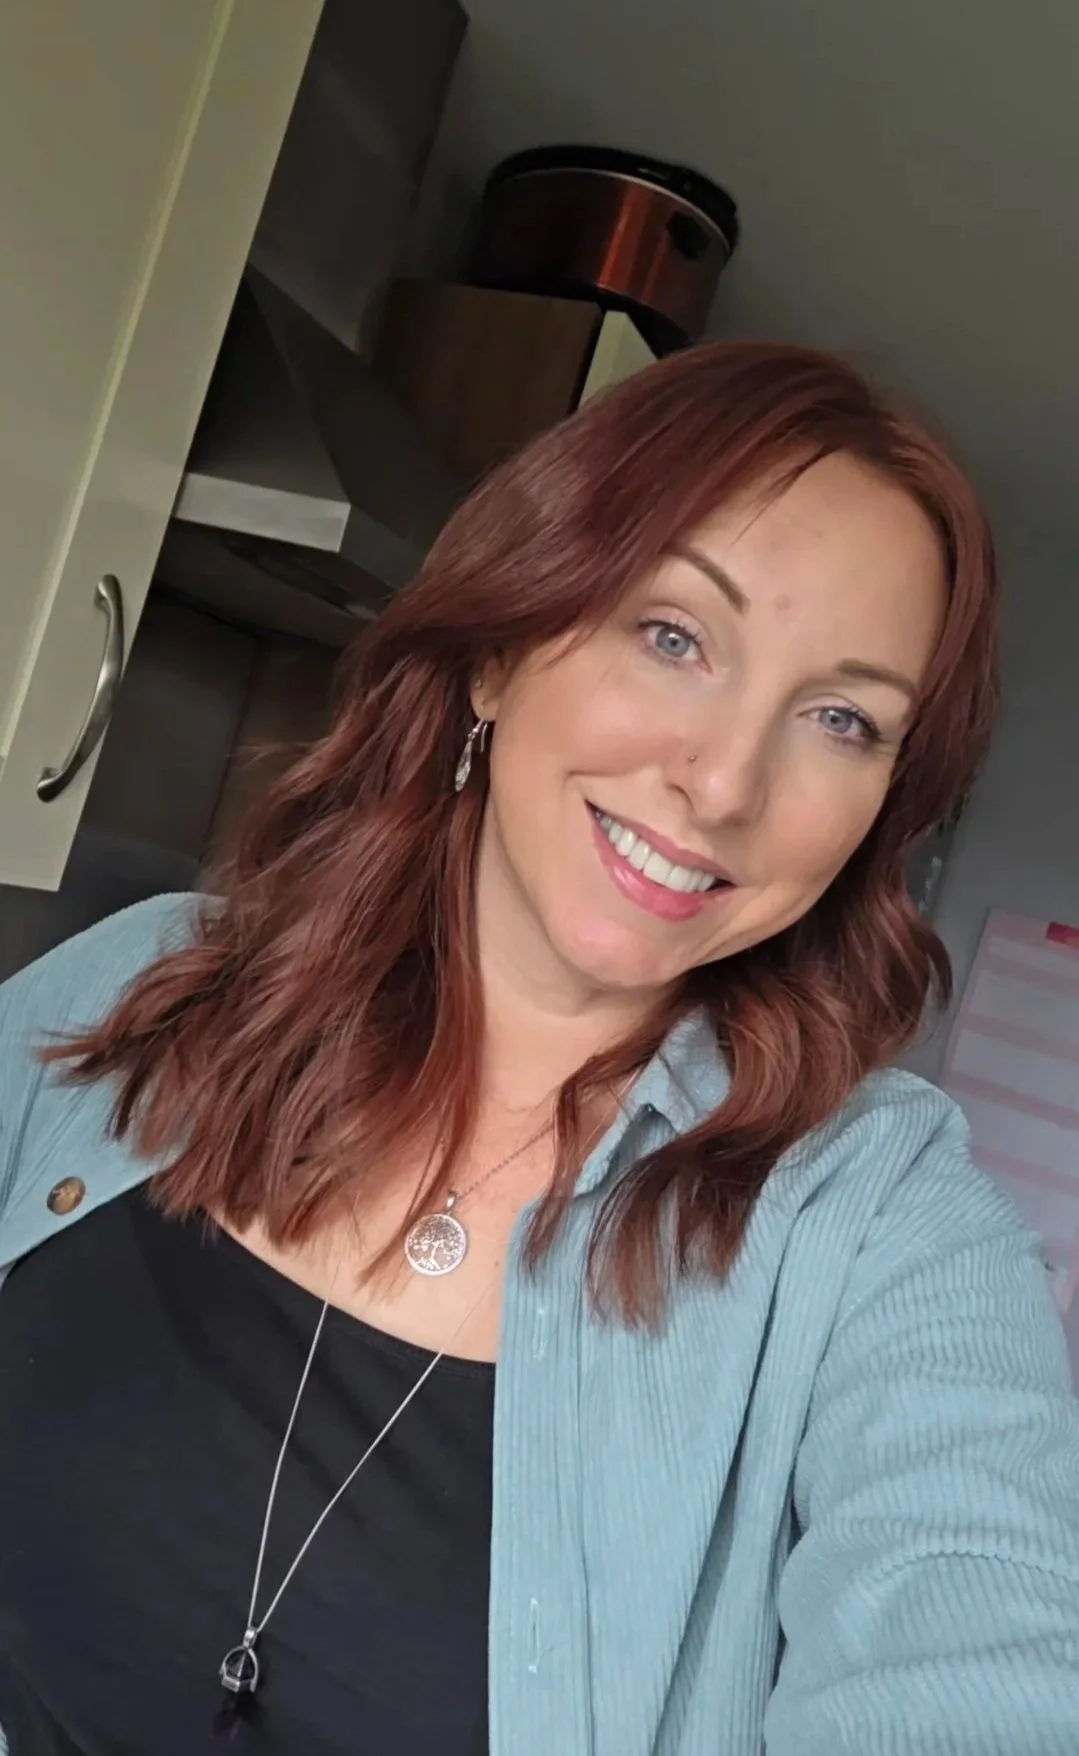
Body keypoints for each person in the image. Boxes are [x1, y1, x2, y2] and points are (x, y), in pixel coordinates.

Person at [0, 341, 1076, 1756]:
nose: (724, 782)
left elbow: (978, 1642)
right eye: (675, 636)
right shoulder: (156, 978)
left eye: (840, 720)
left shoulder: (876, 1226)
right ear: (501, 643)